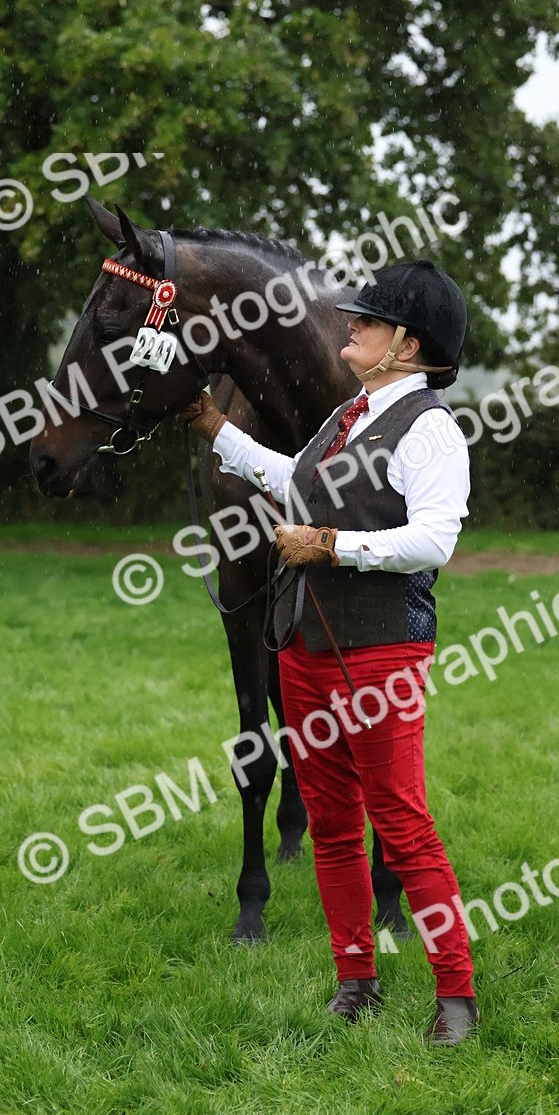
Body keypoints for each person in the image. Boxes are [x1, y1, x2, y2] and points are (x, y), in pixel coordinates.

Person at [179, 259, 478, 1045]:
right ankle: (356, 981)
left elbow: (434, 539)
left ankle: (456, 995)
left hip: (382, 657)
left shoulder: (434, 430)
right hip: (305, 647)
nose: (353, 325)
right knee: (337, 828)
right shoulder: (346, 417)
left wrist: (332, 545)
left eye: (370, 321)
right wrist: (216, 430)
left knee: (404, 826)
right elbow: (293, 480)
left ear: (409, 345)